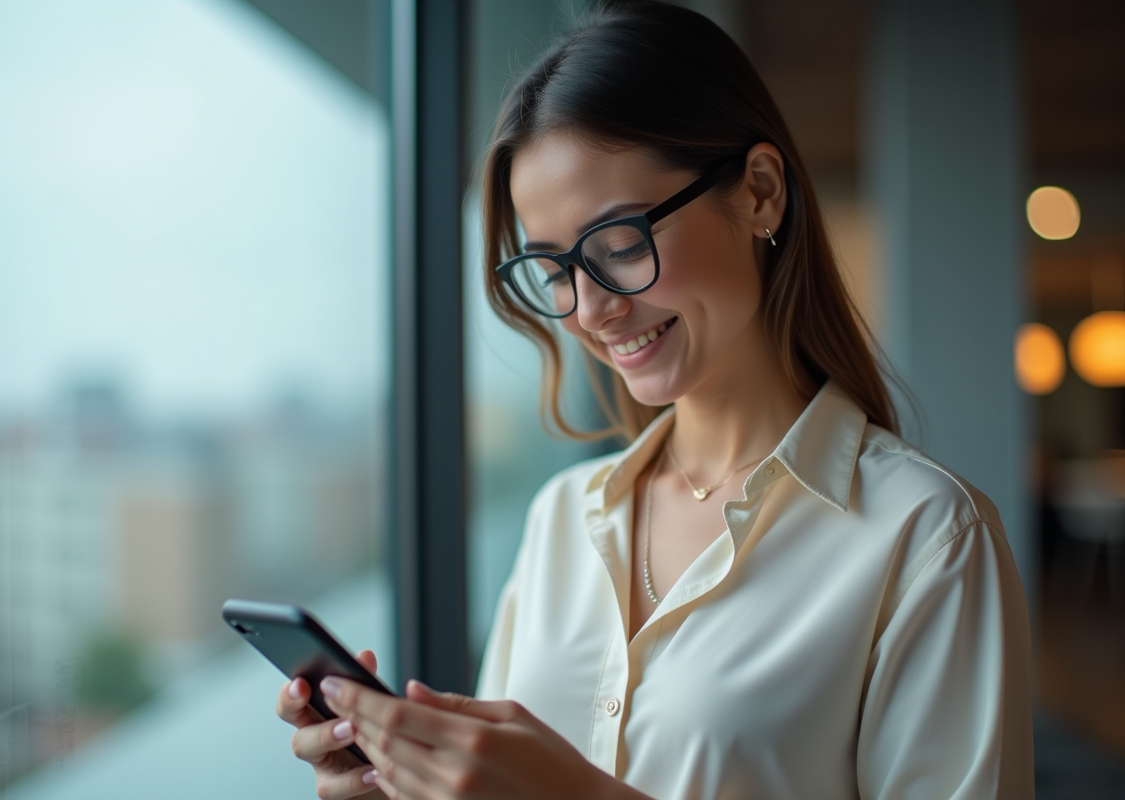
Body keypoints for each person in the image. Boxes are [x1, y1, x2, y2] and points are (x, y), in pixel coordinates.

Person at [275, 2, 1034, 798]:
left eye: (619, 244)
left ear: (760, 193)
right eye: (556, 270)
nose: (592, 310)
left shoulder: (925, 539)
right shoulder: (562, 520)